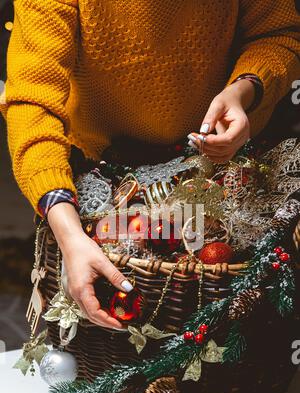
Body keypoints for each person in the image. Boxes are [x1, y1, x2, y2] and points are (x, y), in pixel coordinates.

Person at [1, 0, 299, 329]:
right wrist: (70, 234)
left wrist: (245, 88)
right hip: (101, 171)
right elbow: (32, 102)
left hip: (219, 169)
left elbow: (277, 33)